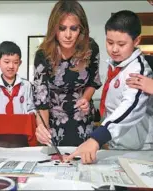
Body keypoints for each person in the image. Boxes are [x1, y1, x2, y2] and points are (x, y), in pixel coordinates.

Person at [66, 10, 153, 164]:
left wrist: (97, 138)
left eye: (121, 44)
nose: (114, 49)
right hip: (119, 144)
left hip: (138, 149)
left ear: (136, 40)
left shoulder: (137, 70)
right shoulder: (117, 65)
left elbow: (130, 107)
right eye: (109, 42)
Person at [33, 0, 102, 147]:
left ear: (81, 29)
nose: (68, 35)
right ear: (53, 29)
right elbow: (41, 99)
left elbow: (93, 81)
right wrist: (43, 128)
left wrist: (85, 98)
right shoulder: (43, 55)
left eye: (74, 28)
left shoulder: (91, 48)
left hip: (82, 119)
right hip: (54, 121)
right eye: (62, 28)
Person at [0, 41, 35, 114]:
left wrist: (32, 113)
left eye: (15, 62)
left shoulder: (26, 86)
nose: (11, 66)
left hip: (21, 125)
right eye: (6, 62)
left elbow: (32, 109)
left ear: (20, 63)